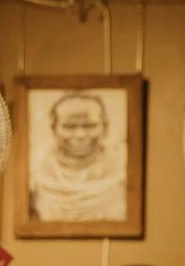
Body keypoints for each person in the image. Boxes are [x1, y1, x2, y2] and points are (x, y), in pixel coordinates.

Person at [29, 92, 127, 221]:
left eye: (90, 125)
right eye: (69, 126)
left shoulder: (120, 169)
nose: (80, 134)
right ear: (54, 129)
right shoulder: (38, 172)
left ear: (105, 127)